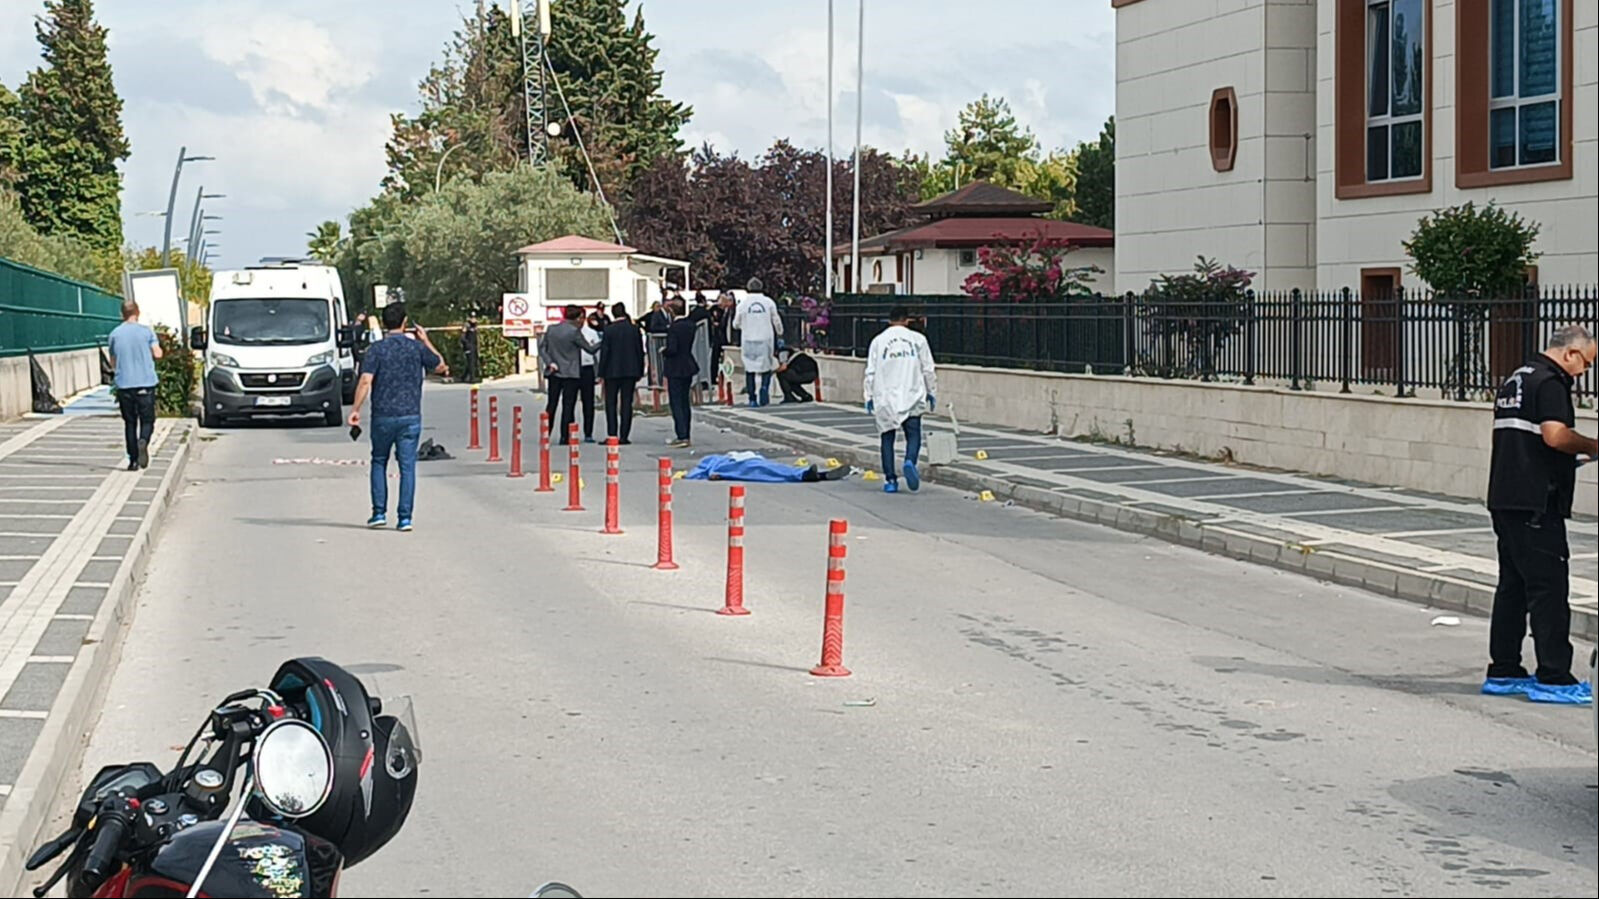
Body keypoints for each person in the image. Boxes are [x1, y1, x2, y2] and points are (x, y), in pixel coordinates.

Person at [1482, 324, 1597, 704]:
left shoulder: (1517, 378)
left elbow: (1528, 441)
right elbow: (1556, 435)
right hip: (1536, 503)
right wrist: (1594, 445)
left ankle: (1504, 670)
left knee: (1513, 587)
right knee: (1549, 590)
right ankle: (1554, 677)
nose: (1584, 372)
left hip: (1507, 497)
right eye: (1586, 363)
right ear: (1570, 353)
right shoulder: (1551, 382)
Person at [347, 302, 449, 530]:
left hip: (382, 416)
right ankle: (405, 518)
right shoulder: (416, 348)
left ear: (384, 323)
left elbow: (365, 380)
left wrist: (355, 409)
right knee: (407, 466)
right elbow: (441, 366)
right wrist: (425, 340)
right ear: (405, 322)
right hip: (410, 415)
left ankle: (378, 513)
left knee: (379, 461)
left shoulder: (376, 349)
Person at [864, 305, 937, 495]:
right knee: (913, 434)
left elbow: (870, 371)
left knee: (887, 438)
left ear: (889, 320)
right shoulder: (918, 339)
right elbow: (928, 369)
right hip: (911, 394)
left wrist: (868, 395)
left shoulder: (878, 341)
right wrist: (931, 391)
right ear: (907, 320)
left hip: (885, 397)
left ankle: (890, 480)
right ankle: (909, 461)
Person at [106, 301, 163, 471]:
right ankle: (143, 440)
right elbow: (158, 354)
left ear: (122, 314)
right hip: (145, 382)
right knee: (147, 420)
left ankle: (133, 461)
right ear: (138, 312)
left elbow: (113, 361)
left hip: (124, 384)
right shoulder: (147, 332)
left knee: (130, 423)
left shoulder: (114, 334)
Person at [539, 304, 601, 443]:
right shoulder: (574, 332)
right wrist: (603, 341)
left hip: (554, 371)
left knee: (552, 404)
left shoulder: (551, 329)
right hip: (571, 373)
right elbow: (590, 349)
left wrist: (550, 362)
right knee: (568, 405)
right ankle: (564, 436)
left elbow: (542, 348)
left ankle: (546, 433)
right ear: (577, 318)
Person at [598, 302, 644, 444]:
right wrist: (640, 370)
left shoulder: (609, 330)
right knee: (626, 403)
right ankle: (624, 436)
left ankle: (612, 434)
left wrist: (601, 372)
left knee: (611, 403)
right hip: (630, 371)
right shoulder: (634, 329)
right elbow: (639, 351)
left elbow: (605, 352)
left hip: (611, 371)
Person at [734, 277, 784, 406]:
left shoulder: (743, 304)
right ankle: (764, 388)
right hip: (765, 339)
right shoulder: (769, 302)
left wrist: (745, 325)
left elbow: (736, 323)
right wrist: (780, 332)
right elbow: (776, 320)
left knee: (749, 369)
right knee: (766, 366)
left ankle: (752, 398)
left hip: (748, 339)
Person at [662, 299, 700, 448]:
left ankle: (681, 435)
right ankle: (687, 434)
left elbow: (673, 349)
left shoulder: (674, 327)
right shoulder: (691, 325)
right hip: (688, 364)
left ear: (672, 312)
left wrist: (664, 351)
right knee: (685, 401)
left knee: (676, 402)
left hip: (675, 367)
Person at [579, 314, 602, 442]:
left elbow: (597, 354)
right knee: (569, 402)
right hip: (572, 368)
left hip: (587, 367)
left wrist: (599, 372)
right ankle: (567, 433)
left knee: (588, 402)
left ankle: (588, 432)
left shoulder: (591, 333)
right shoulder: (569, 332)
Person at [461, 315, 481, 384]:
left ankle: (464, 377)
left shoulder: (475, 326)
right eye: (472, 318)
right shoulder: (466, 325)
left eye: (474, 317)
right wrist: (467, 345)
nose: (474, 319)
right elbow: (462, 338)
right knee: (471, 362)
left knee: (473, 361)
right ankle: (472, 378)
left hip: (474, 346)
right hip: (469, 346)